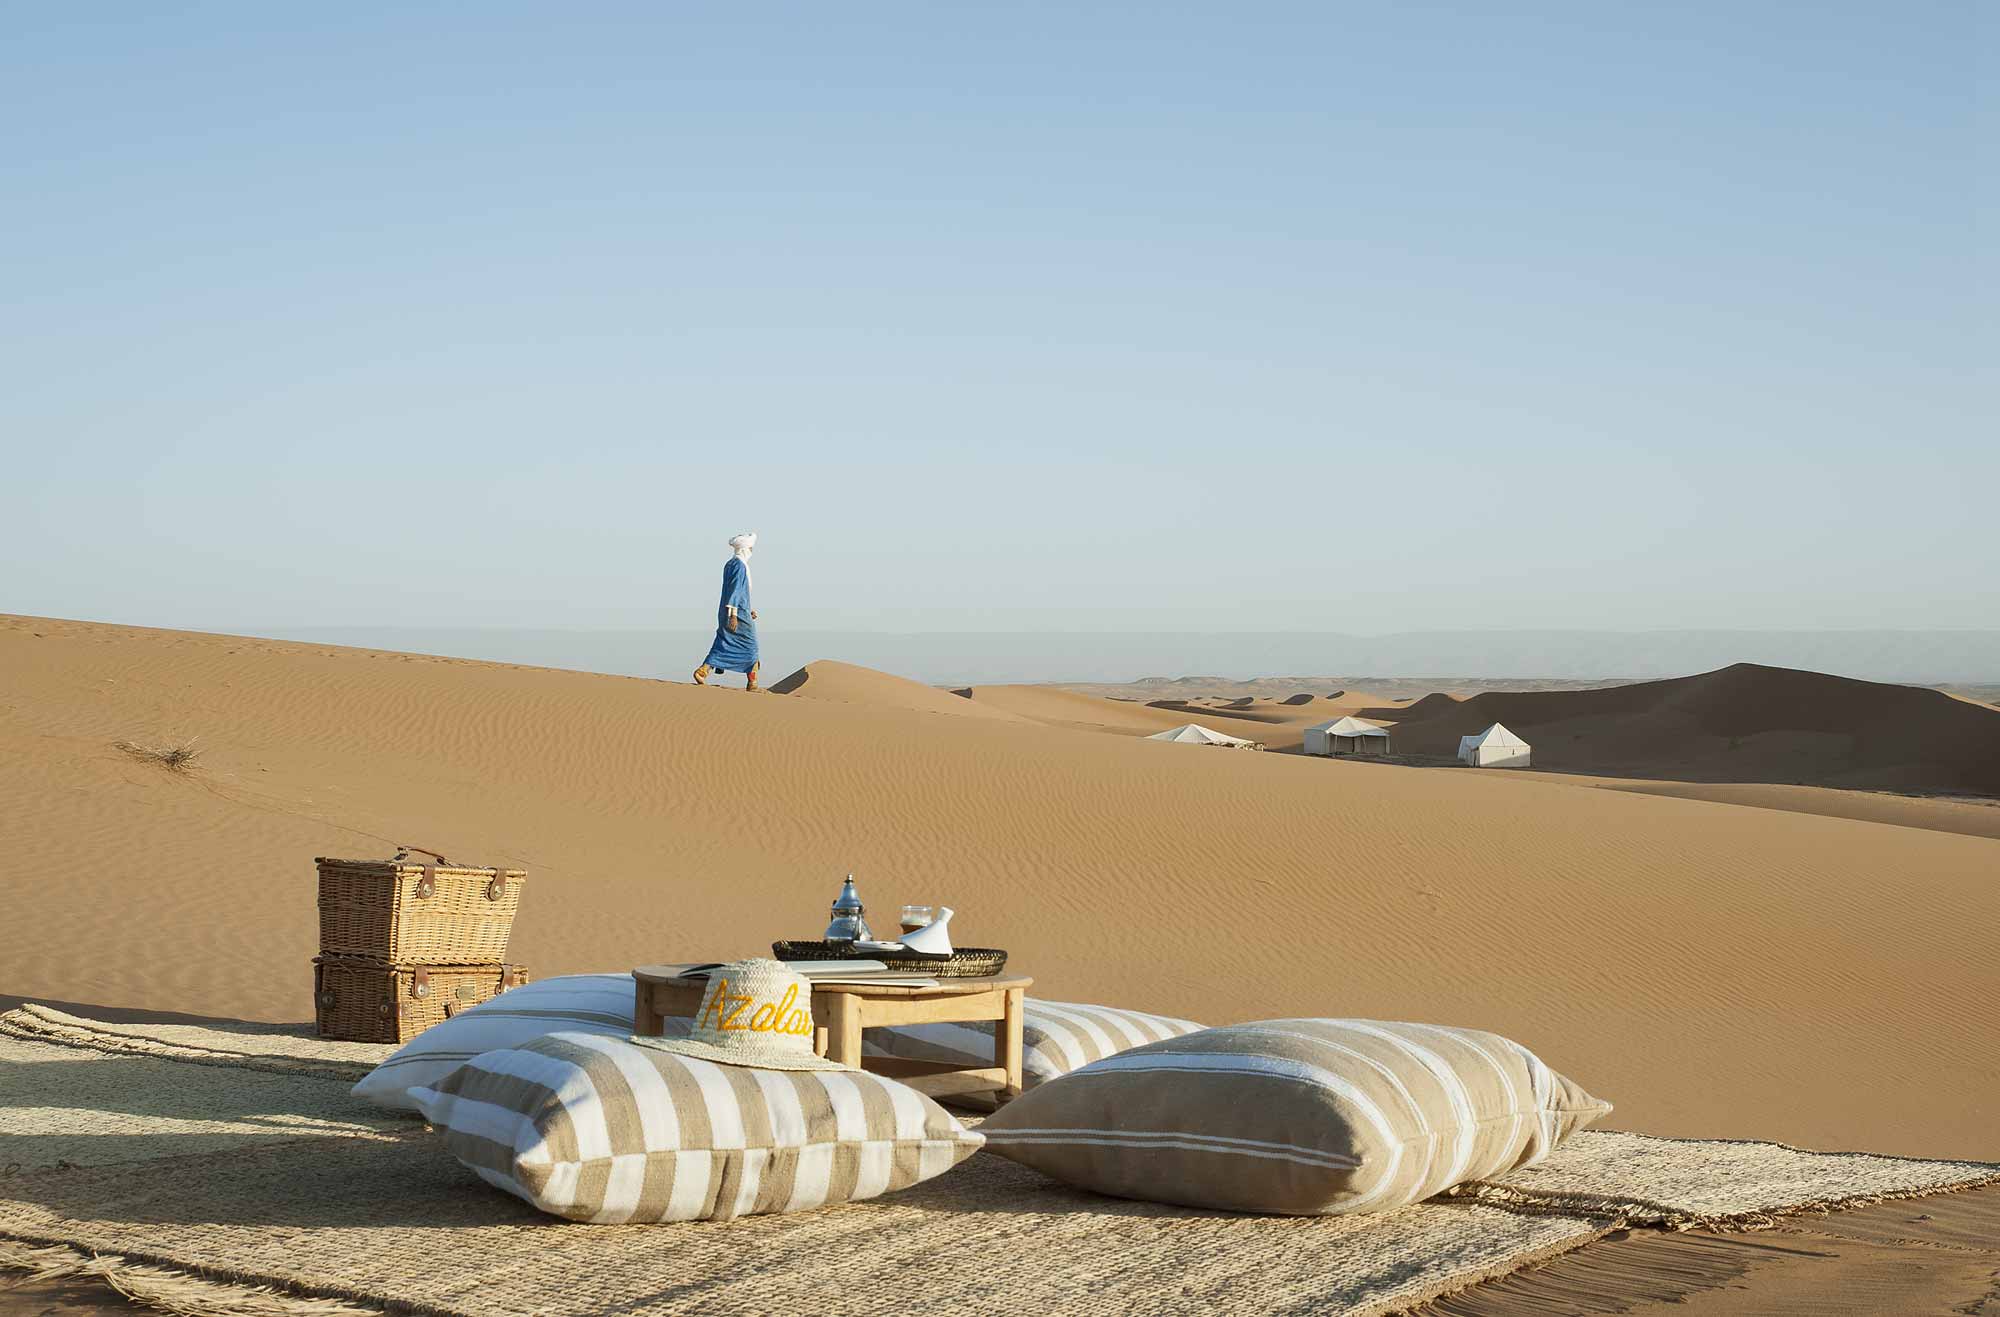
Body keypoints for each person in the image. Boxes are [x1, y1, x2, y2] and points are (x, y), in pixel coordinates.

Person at [693, 531, 760, 689]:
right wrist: (734, 614)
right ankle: (752, 682)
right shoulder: (740, 566)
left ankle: (703, 671)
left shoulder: (730, 564)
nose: (751, 552)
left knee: (724, 641)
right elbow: (736, 590)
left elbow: (737, 592)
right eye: (750, 548)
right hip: (736, 613)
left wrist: (748, 609)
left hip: (732, 610)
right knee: (751, 646)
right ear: (745, 549)